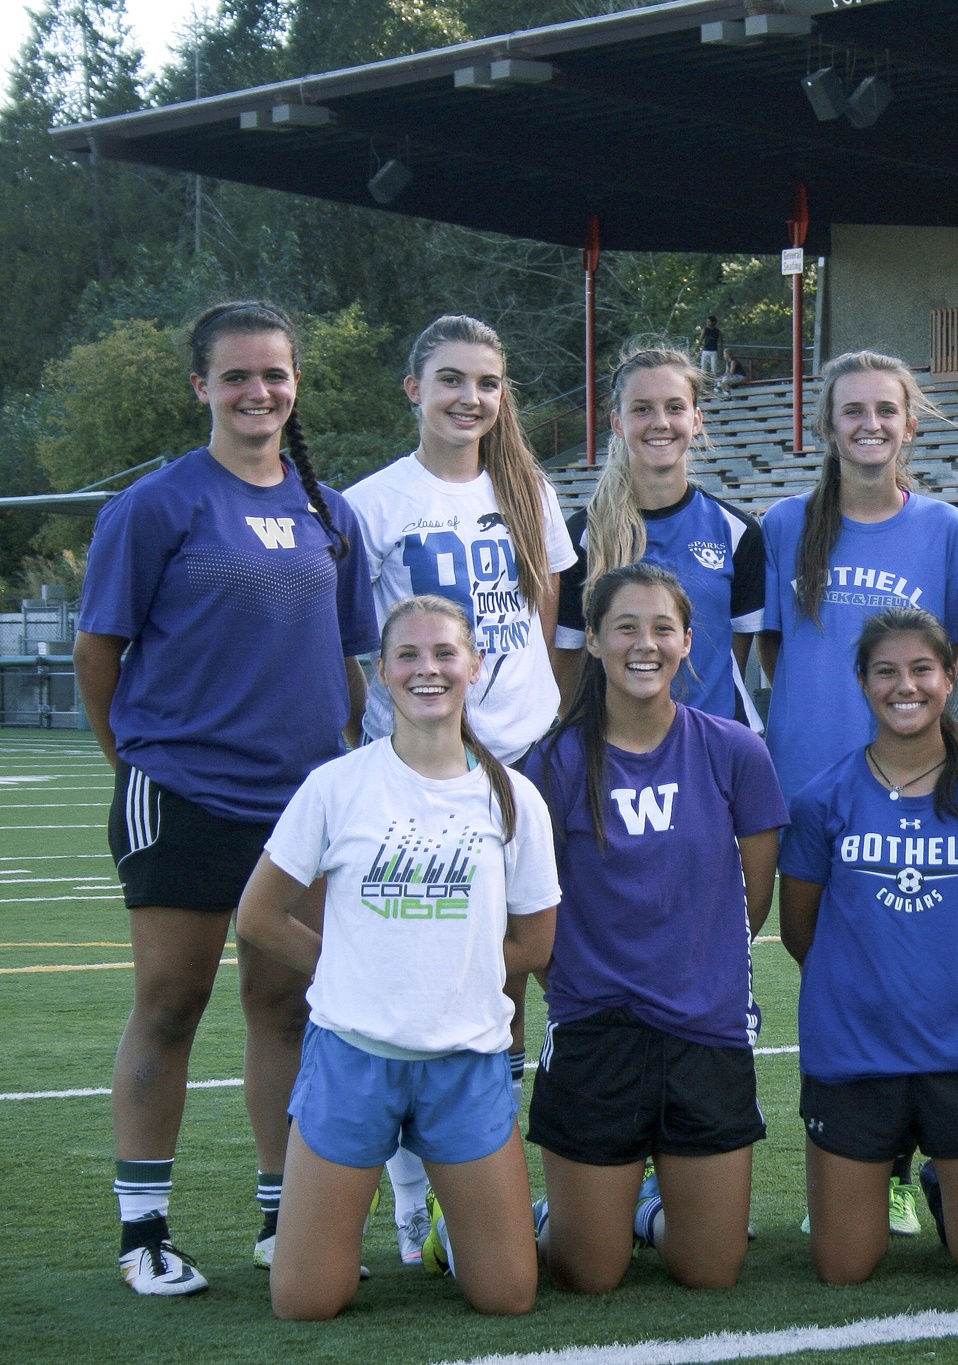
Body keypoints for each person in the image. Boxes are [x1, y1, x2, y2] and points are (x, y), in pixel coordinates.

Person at [74, 299, 378, 1296]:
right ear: (200, 386)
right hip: (185, 790)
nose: (259, 392)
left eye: (276, 375)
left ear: (296, 387)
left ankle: (280, 1216)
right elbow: (97, 652)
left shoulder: (327, 512)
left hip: (300, 805)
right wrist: (140, 762)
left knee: (289, 1003)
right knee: (171, 1003)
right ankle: (143, 1230)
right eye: (238, 376)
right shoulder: (157, 505)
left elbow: (346, 661)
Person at [236, 594, 557, 1319]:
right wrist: (346, 967)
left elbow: (536, 942)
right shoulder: (337, 786)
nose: (427, 668)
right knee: (306, 1300)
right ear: (381, 671)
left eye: (445, 652)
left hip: (465, 1063)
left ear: (475, 665)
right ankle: (353, 1184)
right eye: (407, 655)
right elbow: (258, 914)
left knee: (506, 1295)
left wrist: (453, 972)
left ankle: (454, 1220)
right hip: (352, 1057)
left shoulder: (514, 800)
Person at [345, 313, 576, 1261]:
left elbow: (542, 616)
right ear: (413, 387)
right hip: (419, 767)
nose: (468, 398)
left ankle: (502, 1180)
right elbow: (362, 643)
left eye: (485, 382)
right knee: (420, 977)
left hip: (518, 763)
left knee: (515, 975)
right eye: (449, 379)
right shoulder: (370, 503)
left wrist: (532, 723)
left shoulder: (526, 488)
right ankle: (411, 1191)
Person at [523, 563, 784, 1293]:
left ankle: (640, 1211)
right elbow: (535, 910)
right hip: (596, 1031)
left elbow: (750, 900)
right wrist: (588, 982)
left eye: (662, 627)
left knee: (710, 1270)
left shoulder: (734, 750)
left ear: (688, 641)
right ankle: (510, 1225)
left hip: (706, 1031)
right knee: (588, 1275)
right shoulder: (551, 763)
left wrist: (694, 966)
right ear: (597, 641)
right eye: (626, 627)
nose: (646, 643)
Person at [759, 350, 958, 1233]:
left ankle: (906, 1156)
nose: (870, 424)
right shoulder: (783, 526)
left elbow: (944, 660)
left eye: (886, 409)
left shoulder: (946, 531)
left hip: (915, 783)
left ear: (909, 424)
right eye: (853, 410)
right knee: (830, 972)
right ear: (828, 425)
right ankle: (860, 1152)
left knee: (916, 964)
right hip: (812, 786)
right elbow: (777, 651)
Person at [778, 607, 958, 1285]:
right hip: (854, 1054)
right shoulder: (821, 799)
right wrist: (858, 984)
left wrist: (957, 981)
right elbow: (801, 929)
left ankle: (940, 1178)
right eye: (886, 671)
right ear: (863, 681)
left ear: (951, 678)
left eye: (923, 669)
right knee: (845, 1268)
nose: (906, 686)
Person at [553, 341, 765, 727]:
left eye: (675, 407)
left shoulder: (737, 532)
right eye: (642, 409)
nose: (660, 422)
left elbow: (733, 651)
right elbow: (567, 665)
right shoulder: (581, 537)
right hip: (617, 752)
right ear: (617, 423)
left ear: (696, 420)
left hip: (715, 747)